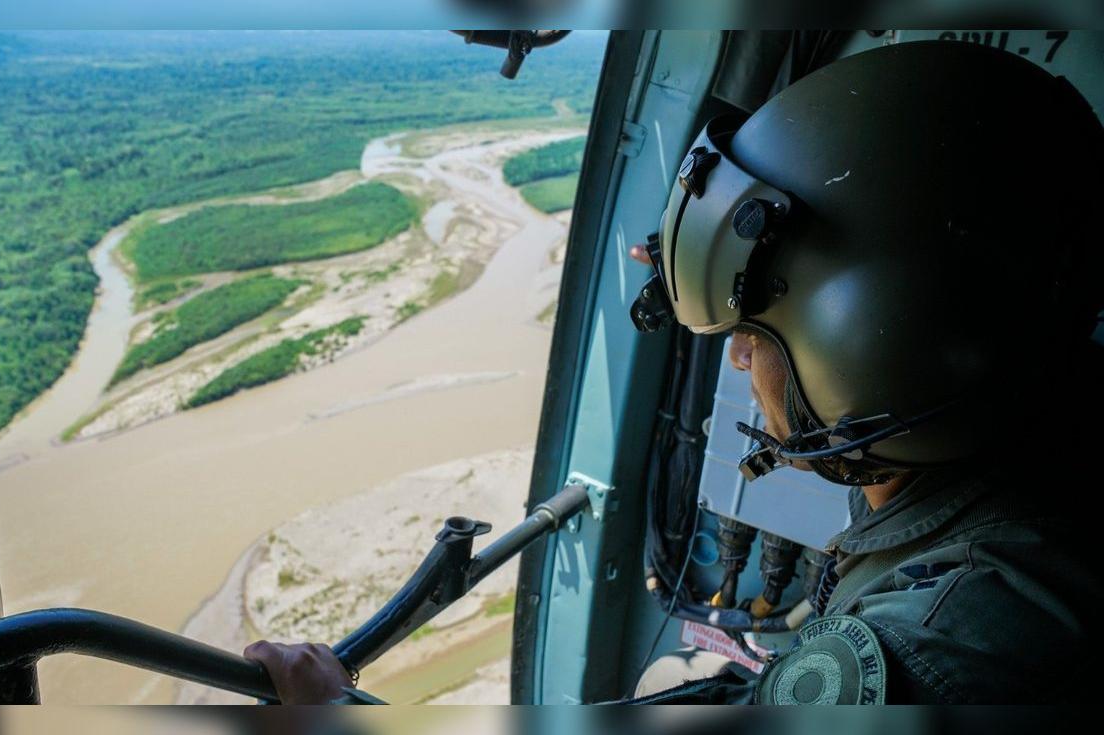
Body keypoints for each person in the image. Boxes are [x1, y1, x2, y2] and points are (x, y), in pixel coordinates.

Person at [245, 39, 1104, 704]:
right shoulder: (1037, 464)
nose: (736, 355)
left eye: (756, 332)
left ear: (877, 350)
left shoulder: (941, 653)